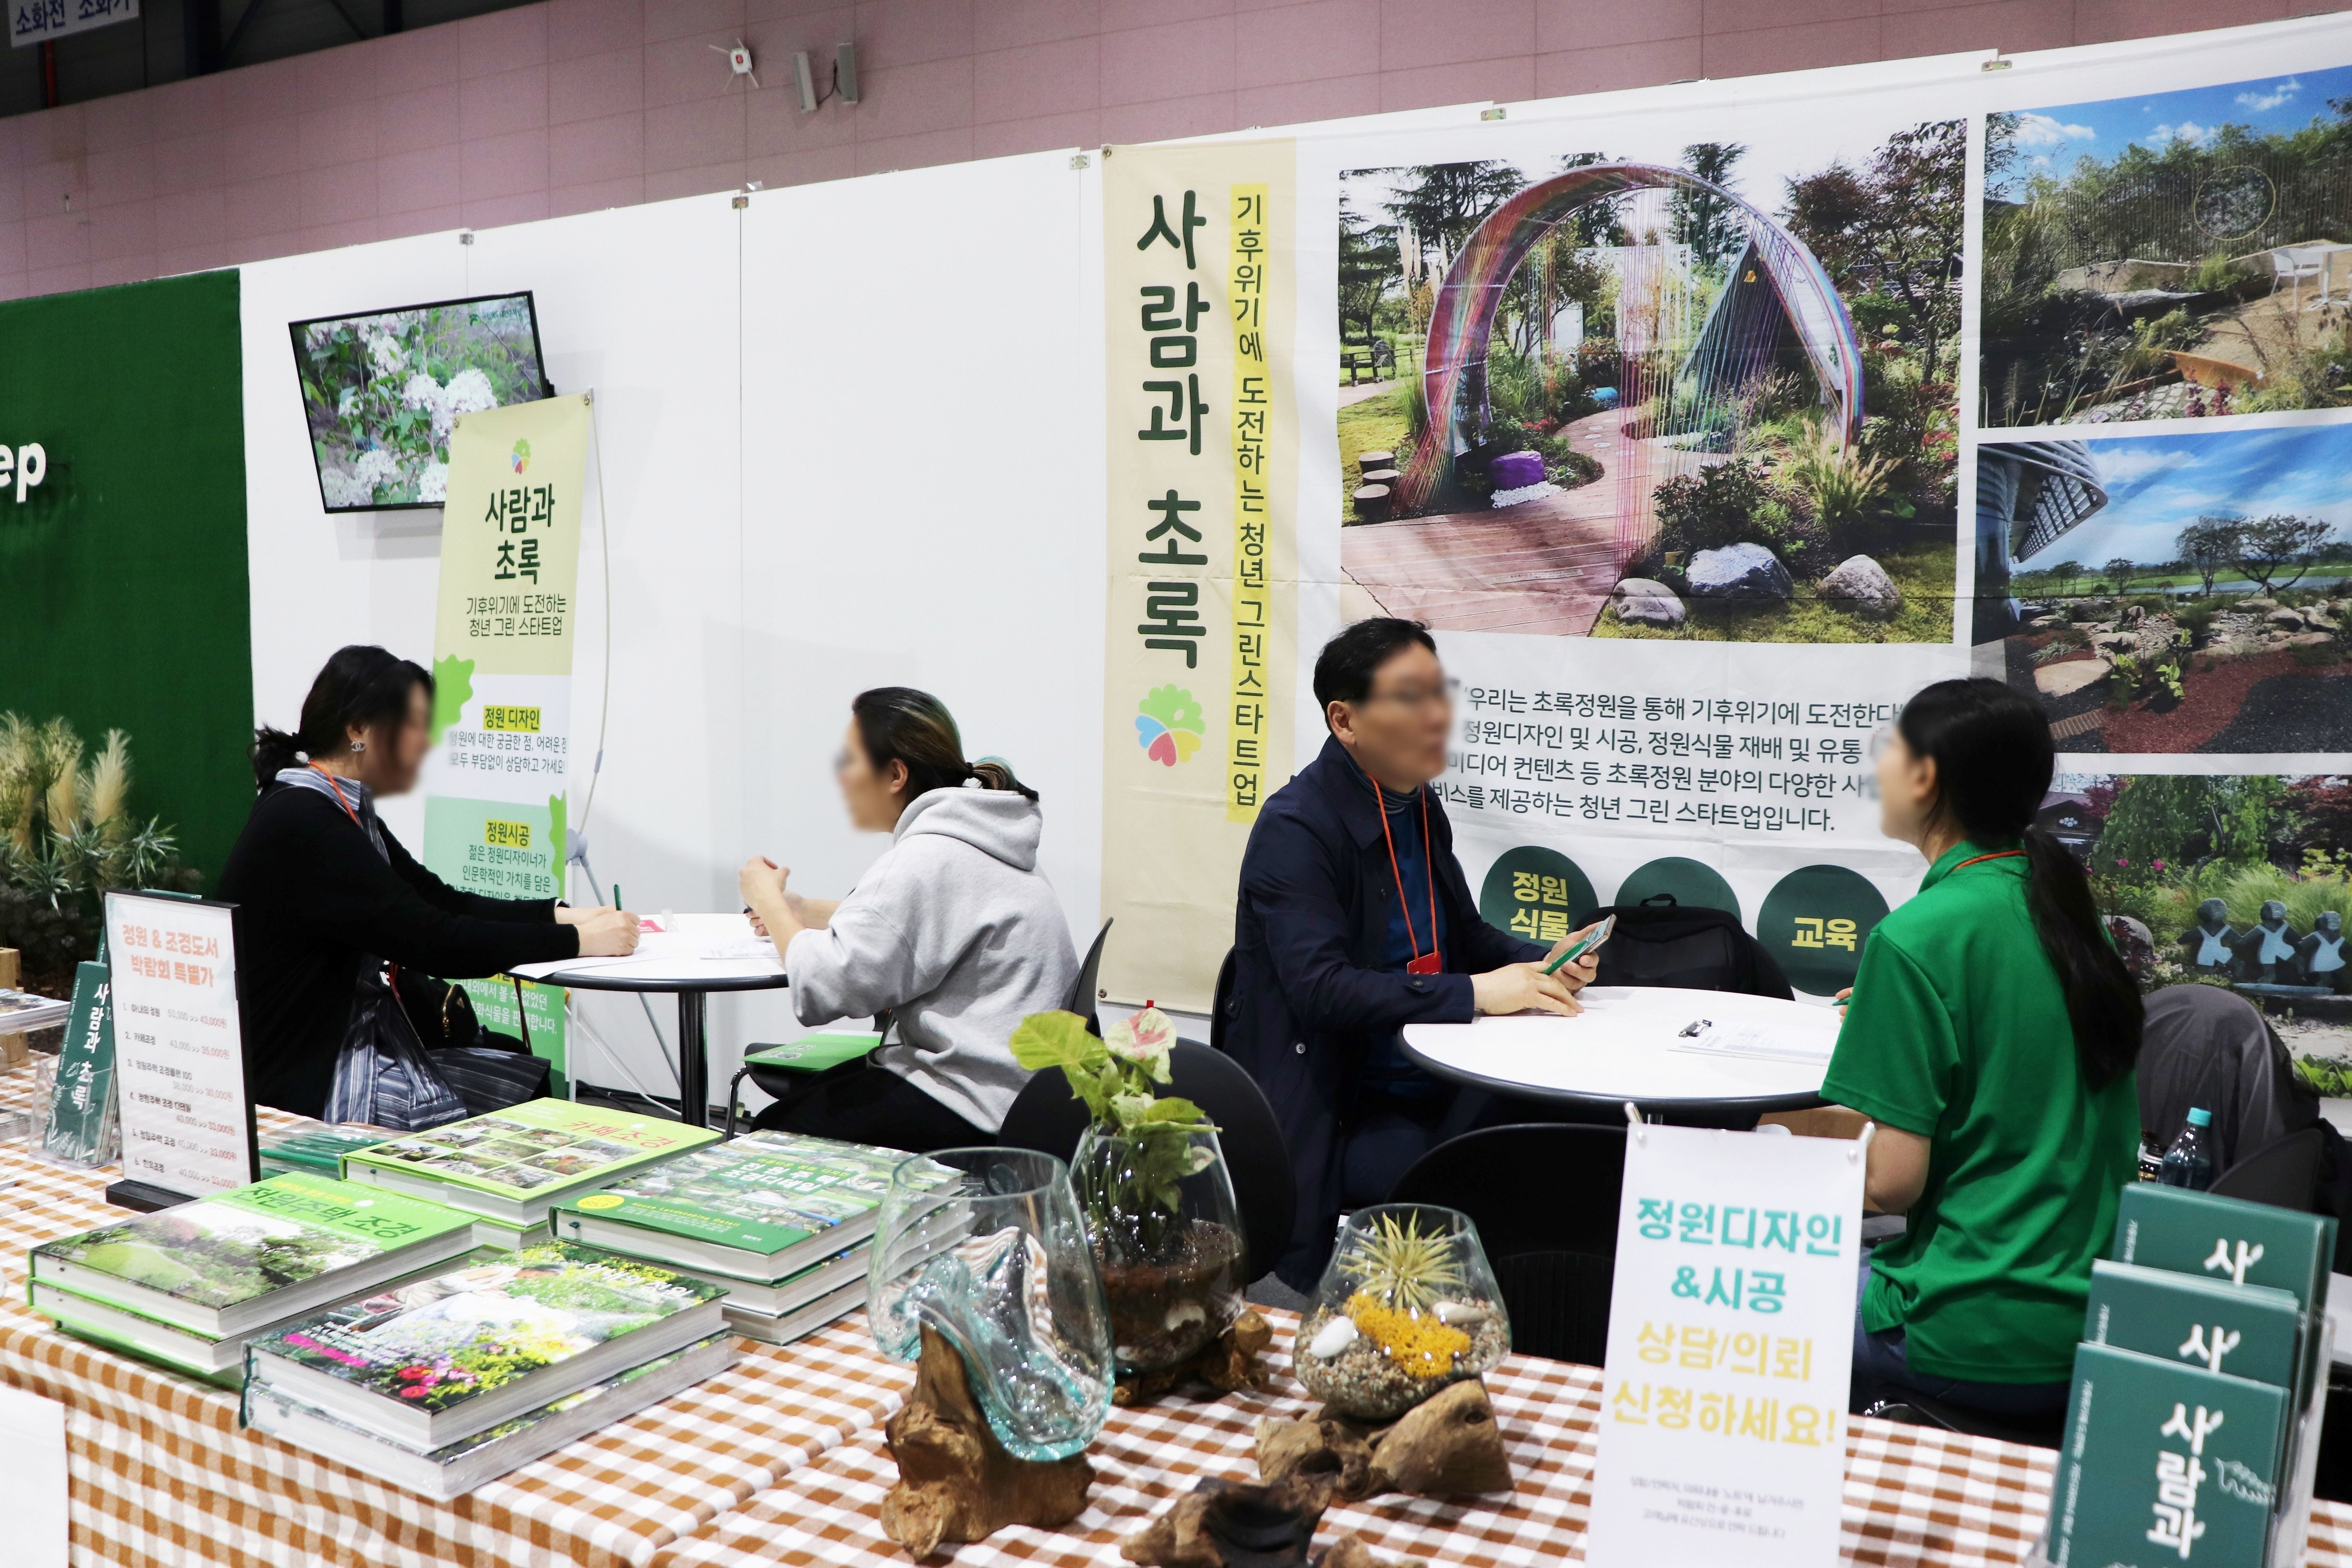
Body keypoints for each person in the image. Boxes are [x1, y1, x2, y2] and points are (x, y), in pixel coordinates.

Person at [1225, 619, 1601, 1288]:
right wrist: (1477, 993)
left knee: (1565, 1126)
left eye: (1438, 693)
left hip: (1437, 1072)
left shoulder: (1418, 806)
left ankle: (1541, 1319)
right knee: (1498, 1169)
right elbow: (1321, 989)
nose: (1437, 716)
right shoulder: (1297, 828)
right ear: (1345, 721)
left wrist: (1548, 960)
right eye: (1410, 697)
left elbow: (1468, 938)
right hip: (1351, 1103)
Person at [1828, 677, 2142, 1419]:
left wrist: (1769, 1148)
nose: (1878, 768)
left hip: (1968, 1329)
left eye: (1890, 750)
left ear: (1925, 777)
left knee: (1740, 1286)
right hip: (2090, 1325)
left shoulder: (1915, 938)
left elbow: (1891, 1184)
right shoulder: (2067, 915)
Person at [220, 646, 639, 1118]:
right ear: (357, 730)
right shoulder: (307, 820)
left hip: (337, 1045)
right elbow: (434, 941)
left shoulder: (334, 805)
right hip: (306, 1079)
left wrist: (558, 915)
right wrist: (578, 941)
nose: (423, 742)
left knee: (524, 1075)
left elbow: (437, 899)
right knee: (512, 1099)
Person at [739, 687, 1078, 1151]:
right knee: (813, 1098)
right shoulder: (981, 835)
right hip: (1019, 1093)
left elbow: (825, 986)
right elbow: (923, 926)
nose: (841, 776)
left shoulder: (926, 856)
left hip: (971, 1102)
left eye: (850, 760)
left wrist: (768, 898)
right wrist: (802, 912)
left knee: (769, 1135)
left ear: (896, 774)